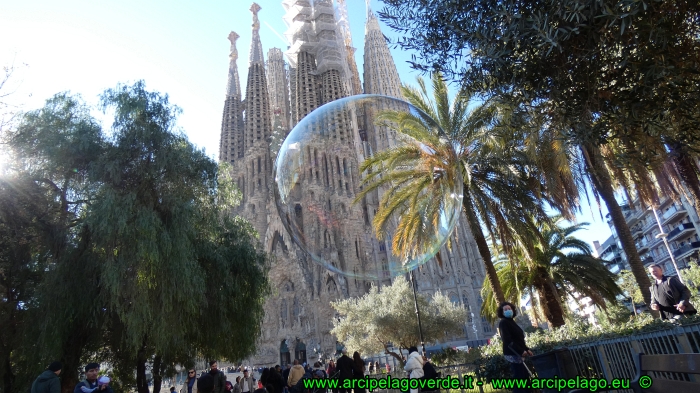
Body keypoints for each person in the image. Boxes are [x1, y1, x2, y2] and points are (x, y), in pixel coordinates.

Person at [497, 301, 532, 393]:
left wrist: (526, 349)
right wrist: (520, 351)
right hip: (513, 354)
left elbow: (518, 339)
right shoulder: (504, 323)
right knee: (520, 380)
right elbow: (507, 340)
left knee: (524, 378)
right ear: (502, 312)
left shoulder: (511, 322)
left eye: (509, 309)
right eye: (505, 309)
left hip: (519, 353)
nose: (508, 310)